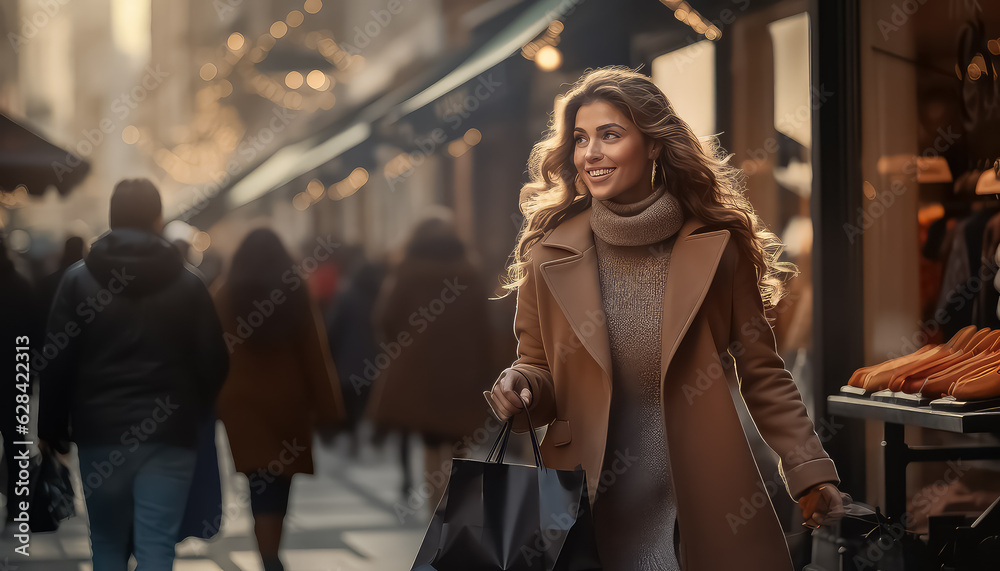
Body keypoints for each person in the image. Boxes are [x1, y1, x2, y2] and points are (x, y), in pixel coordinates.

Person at [484, 67, 845, 571]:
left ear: (653, 145)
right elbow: (540, 372)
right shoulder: (548, 255)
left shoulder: (718, 246)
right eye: (581, 139)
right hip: (586, 491)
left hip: (699, 490)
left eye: (610, 135)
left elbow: (763, 373)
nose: (591, 154)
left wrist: (808, 467)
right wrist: (518, 383)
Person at [38, 178, 229, 570]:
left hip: (99, 435)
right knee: (157, 544)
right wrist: (192, 408)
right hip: (169, 437)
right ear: (158, 220)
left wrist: (53, 430)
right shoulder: (190, 285)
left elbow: (57, 361)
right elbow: (215, 361)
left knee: (106, 545)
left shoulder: (77, 281)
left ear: (111, 218)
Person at [213, 229, 344, 571]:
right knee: (281, 479)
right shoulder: (295, 290)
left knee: (259, 481)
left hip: (242, 406)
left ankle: (268, 556)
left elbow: (212, 353)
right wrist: (330, 409)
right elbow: (315, 353)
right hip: (288, 404)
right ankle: (271, 555)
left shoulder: (224, 294)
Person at [366, 214, 492, 510]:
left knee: (431, 443)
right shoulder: (470, 274)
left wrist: (405, 346)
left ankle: (435, 512)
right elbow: (484, 327)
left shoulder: (406, 272)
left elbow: (385, 320)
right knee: (460, 442)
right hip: (463, 372)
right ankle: (457, 510)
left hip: (421, 374)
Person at [0, 234, 39, 528]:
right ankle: (17, 505)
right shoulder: (23, 288)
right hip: (14, 378)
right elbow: (34, 338)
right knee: (16, 443)